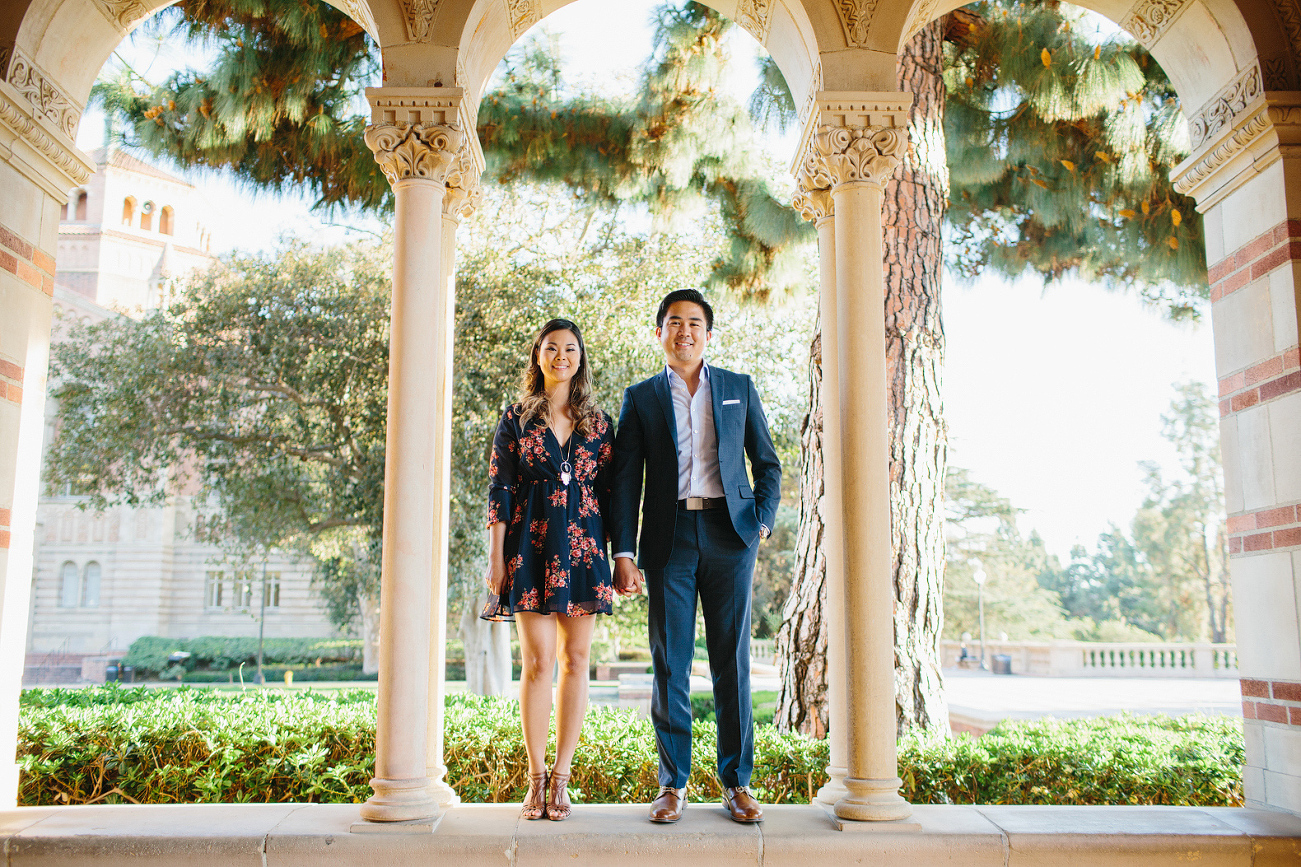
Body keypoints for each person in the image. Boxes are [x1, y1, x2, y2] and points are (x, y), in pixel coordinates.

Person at [610, 289, 781, 824]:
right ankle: (672, 785)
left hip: (732, 536)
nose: (684, 332)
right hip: (668, 539)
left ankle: (737, 784)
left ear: (708, 333)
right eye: (673, 323)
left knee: (732, 663)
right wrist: (623, 551)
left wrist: (762, 522)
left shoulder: (738, 388)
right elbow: (623, 483)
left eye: (694, 323)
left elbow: (767, 464)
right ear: (658, 332)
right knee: (671, 665)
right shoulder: (640, 399)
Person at [481, 318, 616, 822]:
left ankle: (562, 779)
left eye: (571, 348)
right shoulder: (515, 418)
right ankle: (534, 779)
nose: (563, 355)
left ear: (581, 357)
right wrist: (495, 557)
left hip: (582, 547)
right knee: (538, 662)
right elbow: (500, 489)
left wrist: (620, 554)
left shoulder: (599, 422)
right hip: (529, 547)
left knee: (576, 660)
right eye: (552, 348)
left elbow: (611, 493)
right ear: (538, 355)